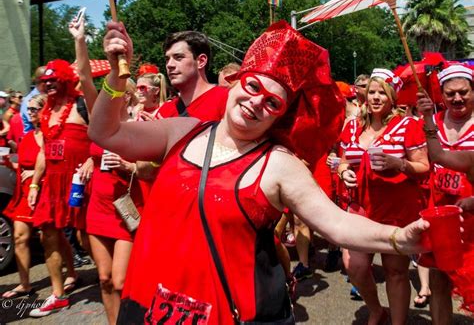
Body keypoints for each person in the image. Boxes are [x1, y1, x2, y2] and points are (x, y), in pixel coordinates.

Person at [89, 21, 433, 325]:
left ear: (278, 117)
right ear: (237, 83)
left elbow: (337, 223)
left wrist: (397, 239)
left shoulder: (277, 162)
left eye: (272, 103)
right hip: (147, 300)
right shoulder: (181, 131)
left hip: (228, 310)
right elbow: (106, 133)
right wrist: (116, 76)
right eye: (253, 88)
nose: (256, 103)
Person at [337, 68, 429, 325]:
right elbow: (344, 162)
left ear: (393, 97)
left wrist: (397, 164)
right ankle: (376, 309)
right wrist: (344, 173)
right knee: (354, 265)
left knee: (396, 271)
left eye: (382, 93)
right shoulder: (353, 126)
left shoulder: (408, 125)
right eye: (372, 92)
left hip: (396, 209)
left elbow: (423, 167)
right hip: (359, 207)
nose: (376, 97)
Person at [67, 13, 143, 324]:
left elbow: (152, 165)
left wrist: (127, 165)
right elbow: (84, 77)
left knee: (122, 280)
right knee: (104, 278)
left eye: (122, 89)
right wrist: (80, 40)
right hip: (97, 205)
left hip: (126, 207)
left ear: (128, 93)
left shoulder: (138, 125)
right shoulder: (100, 117)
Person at [27, 59, 91, 317]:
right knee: (47, 234)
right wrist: (34, 183)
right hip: (52, 183)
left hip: (80, 181)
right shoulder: (44, 112)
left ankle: (110, 275)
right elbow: (44, 151)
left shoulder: (82, 104)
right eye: (45, 81)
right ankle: (58, 294)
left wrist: (91, 160)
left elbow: (103, 136)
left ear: (66, 80)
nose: (49, 84)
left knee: (85, 237)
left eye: (54, 80)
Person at [416, 64, 474, 322]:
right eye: (450, 94)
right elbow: (422, 159)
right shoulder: (431, 122)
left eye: (463, 92)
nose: (457, 98)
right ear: (441, 95)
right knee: (439, 281)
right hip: (440, 215)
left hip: (473, 215)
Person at [2, 94, 46, 299]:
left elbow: (55, 162)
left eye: (34, 109)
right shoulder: (28, 136)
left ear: (45, 110)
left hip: (44, 189)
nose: (30, 113)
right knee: (20, 237)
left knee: (51, 239)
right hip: (25, 192)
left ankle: (70, 274)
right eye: (28, 110)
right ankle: (24, 284)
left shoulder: (50, 135)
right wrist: (11, 164)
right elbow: (24, 164)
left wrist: (38, 175)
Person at [158, 31, 228, 120]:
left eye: (178, 57)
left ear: (201, 61)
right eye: (167, 59)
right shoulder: (165, 111)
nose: (169, 65)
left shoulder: (226, 100)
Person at [21, 66, 47, 134]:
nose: (51, 83)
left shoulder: (46, 96)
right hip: (34, 140)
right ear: (43, 83)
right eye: (49, 80)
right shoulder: (30, 101)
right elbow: (36, 123)